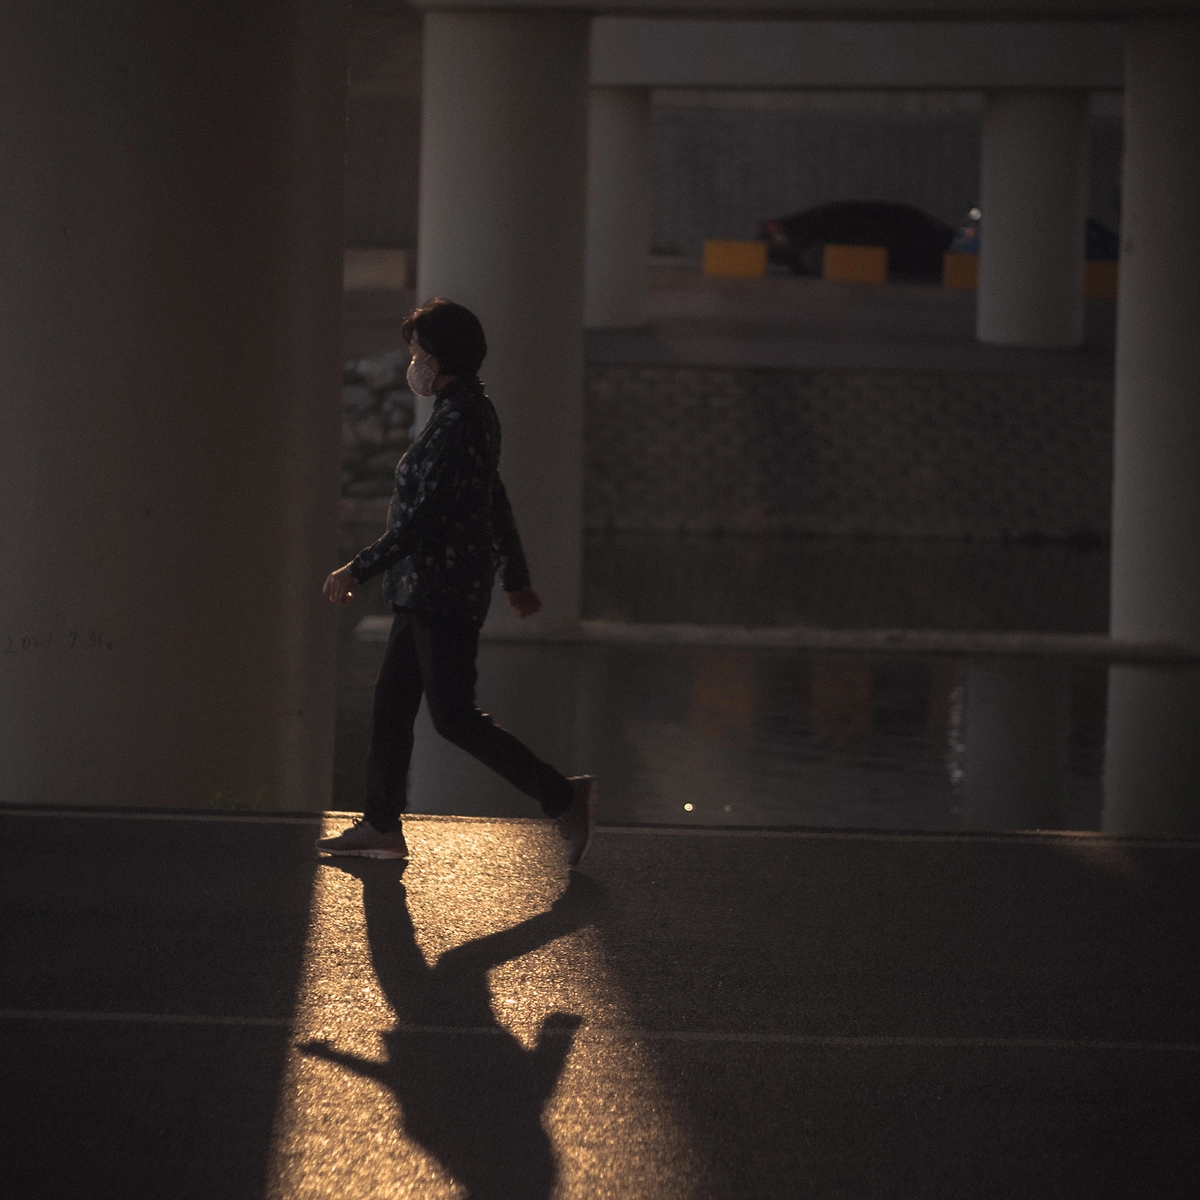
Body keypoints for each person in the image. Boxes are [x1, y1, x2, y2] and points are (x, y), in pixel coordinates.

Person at [316, 298, 595, 866]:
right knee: (390, 707)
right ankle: (381, 825)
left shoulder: (462, 420)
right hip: (423, 590)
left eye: (416, 352)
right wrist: (516, 576)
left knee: (453, 718)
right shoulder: (463, 412)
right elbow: (494, 498)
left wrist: (358, 568)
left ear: (438, 358)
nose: (411, 362)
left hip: (442, 593)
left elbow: (426, 519)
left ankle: (564, 797)